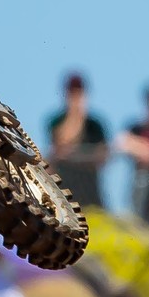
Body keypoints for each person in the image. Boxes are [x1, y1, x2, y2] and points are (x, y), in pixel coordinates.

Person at [46, 73, 109, 211]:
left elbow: (103, 157)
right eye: (72, 91)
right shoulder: (56, 121)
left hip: (91, 194)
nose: (75, 95)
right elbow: (61, 143)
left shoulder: (95, 125)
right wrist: (76, 116)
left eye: (78, 91)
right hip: (65, 193)